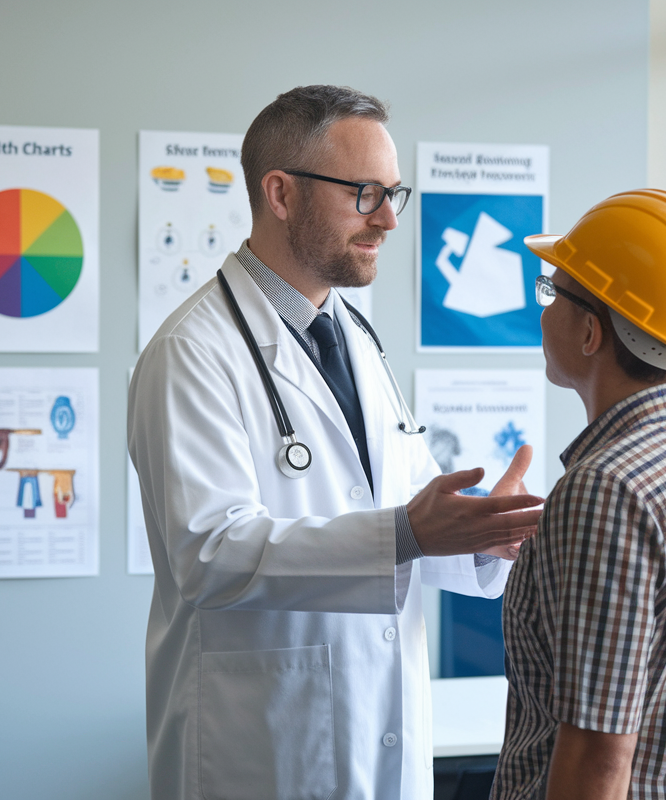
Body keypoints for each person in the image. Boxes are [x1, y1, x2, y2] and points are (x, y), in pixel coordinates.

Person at [128, 85, 544, 800]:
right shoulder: (192, 352)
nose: (386, 218)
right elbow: (208, 555)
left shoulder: (355, 338)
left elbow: (404, 516)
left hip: (380, 737)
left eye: (392, 193)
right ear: (280, 193)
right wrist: (407, 534)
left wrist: (477, 534)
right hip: (263, 755)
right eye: (363, 193)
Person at [492, 189, 666, 800]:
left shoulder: (606, 488)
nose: (543, 312)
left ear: (591, 331)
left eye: (552, 293)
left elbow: (597, 757)